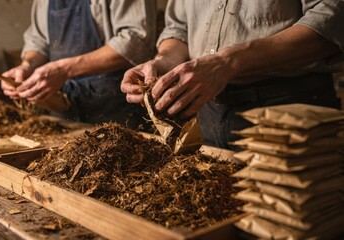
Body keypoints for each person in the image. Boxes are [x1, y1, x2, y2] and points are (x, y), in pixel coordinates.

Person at [121, 0, 344, 149]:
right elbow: (178, 30)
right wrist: (163, 62)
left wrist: (228, 62)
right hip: (206, 110)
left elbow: (332, 19)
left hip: (286, 107)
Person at [1, 0, 156, 128]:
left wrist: (64, 69)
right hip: (66, 110)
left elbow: (134, 41)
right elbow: (38, 40)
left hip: (117, 107)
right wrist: (27, 66)